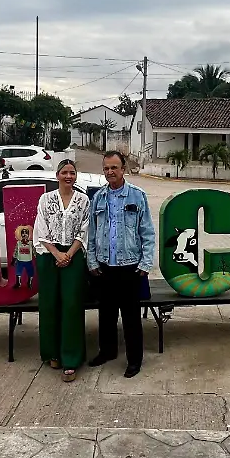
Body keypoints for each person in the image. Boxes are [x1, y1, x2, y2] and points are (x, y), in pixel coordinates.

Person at [85, 150, 156, 378]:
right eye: (106, 168)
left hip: (130, 267)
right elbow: (92, 233)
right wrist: (92, 260)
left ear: (123, 169)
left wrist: (145, 264)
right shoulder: (99, 198)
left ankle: (134, 361)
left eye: (114, 167)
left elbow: (147, 232)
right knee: (106, 314)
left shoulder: (137, 195)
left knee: (131, 317)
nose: (110, 172)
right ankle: (107, 351)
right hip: (105, 267)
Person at [33, 159, 90, 382]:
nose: (68, 176)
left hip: (74, 257)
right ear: (57, 175)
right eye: (64, 172)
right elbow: (41, 229)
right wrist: (57, 254)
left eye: (72, 172)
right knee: (49, 305)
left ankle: (71, 358)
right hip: (49, 257)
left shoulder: (83, 201)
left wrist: (69, 254)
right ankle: (52, 353)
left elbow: (85, 230)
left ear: (76, 176)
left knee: (72, 306)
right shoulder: (46, 199)